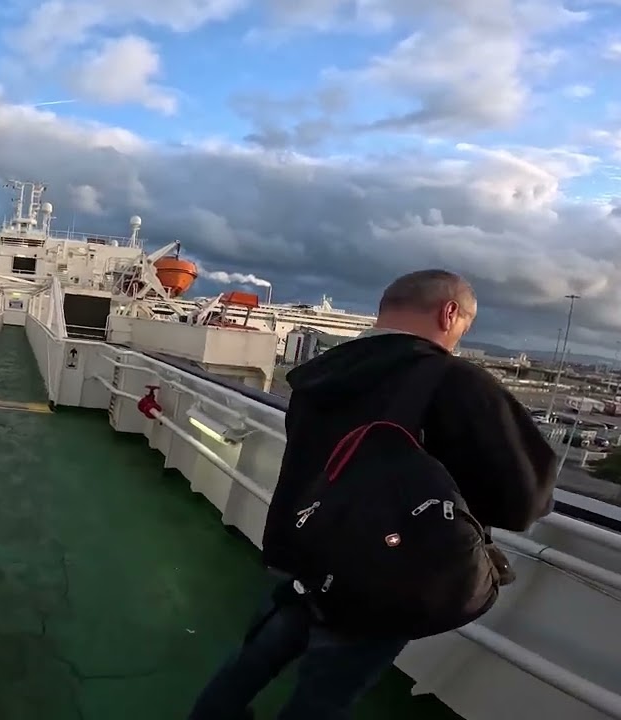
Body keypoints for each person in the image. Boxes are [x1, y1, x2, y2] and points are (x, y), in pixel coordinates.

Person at [187, 269, 557, 719]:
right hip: (381, 576)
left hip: (305, 551)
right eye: (463, 326)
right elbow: (520, 499)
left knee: (250, 663)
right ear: (450, 313)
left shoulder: (320, 373)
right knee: (321, 701)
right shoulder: (452, 380)